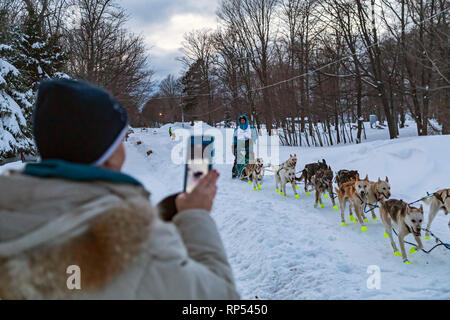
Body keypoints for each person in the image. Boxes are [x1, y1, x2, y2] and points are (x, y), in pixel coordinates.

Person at [0, 79, 240, 300]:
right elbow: (221, 297)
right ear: (109, 155)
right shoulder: (135, 242)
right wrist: (195, 215)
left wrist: (165, 213)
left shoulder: (9, 212)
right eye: (120, 139)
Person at [232, 115, 258, 179]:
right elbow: (235, 138)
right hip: (240, 146)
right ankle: (238, 172)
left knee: (250, 159)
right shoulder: (237, 129)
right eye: (241, 121)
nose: (242, 121)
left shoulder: (251, 128)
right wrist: (235, 145)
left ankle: (251, 172)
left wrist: (250, 141)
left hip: (249, 146)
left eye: (243, 120)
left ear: (246, 121)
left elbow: (255, 136)